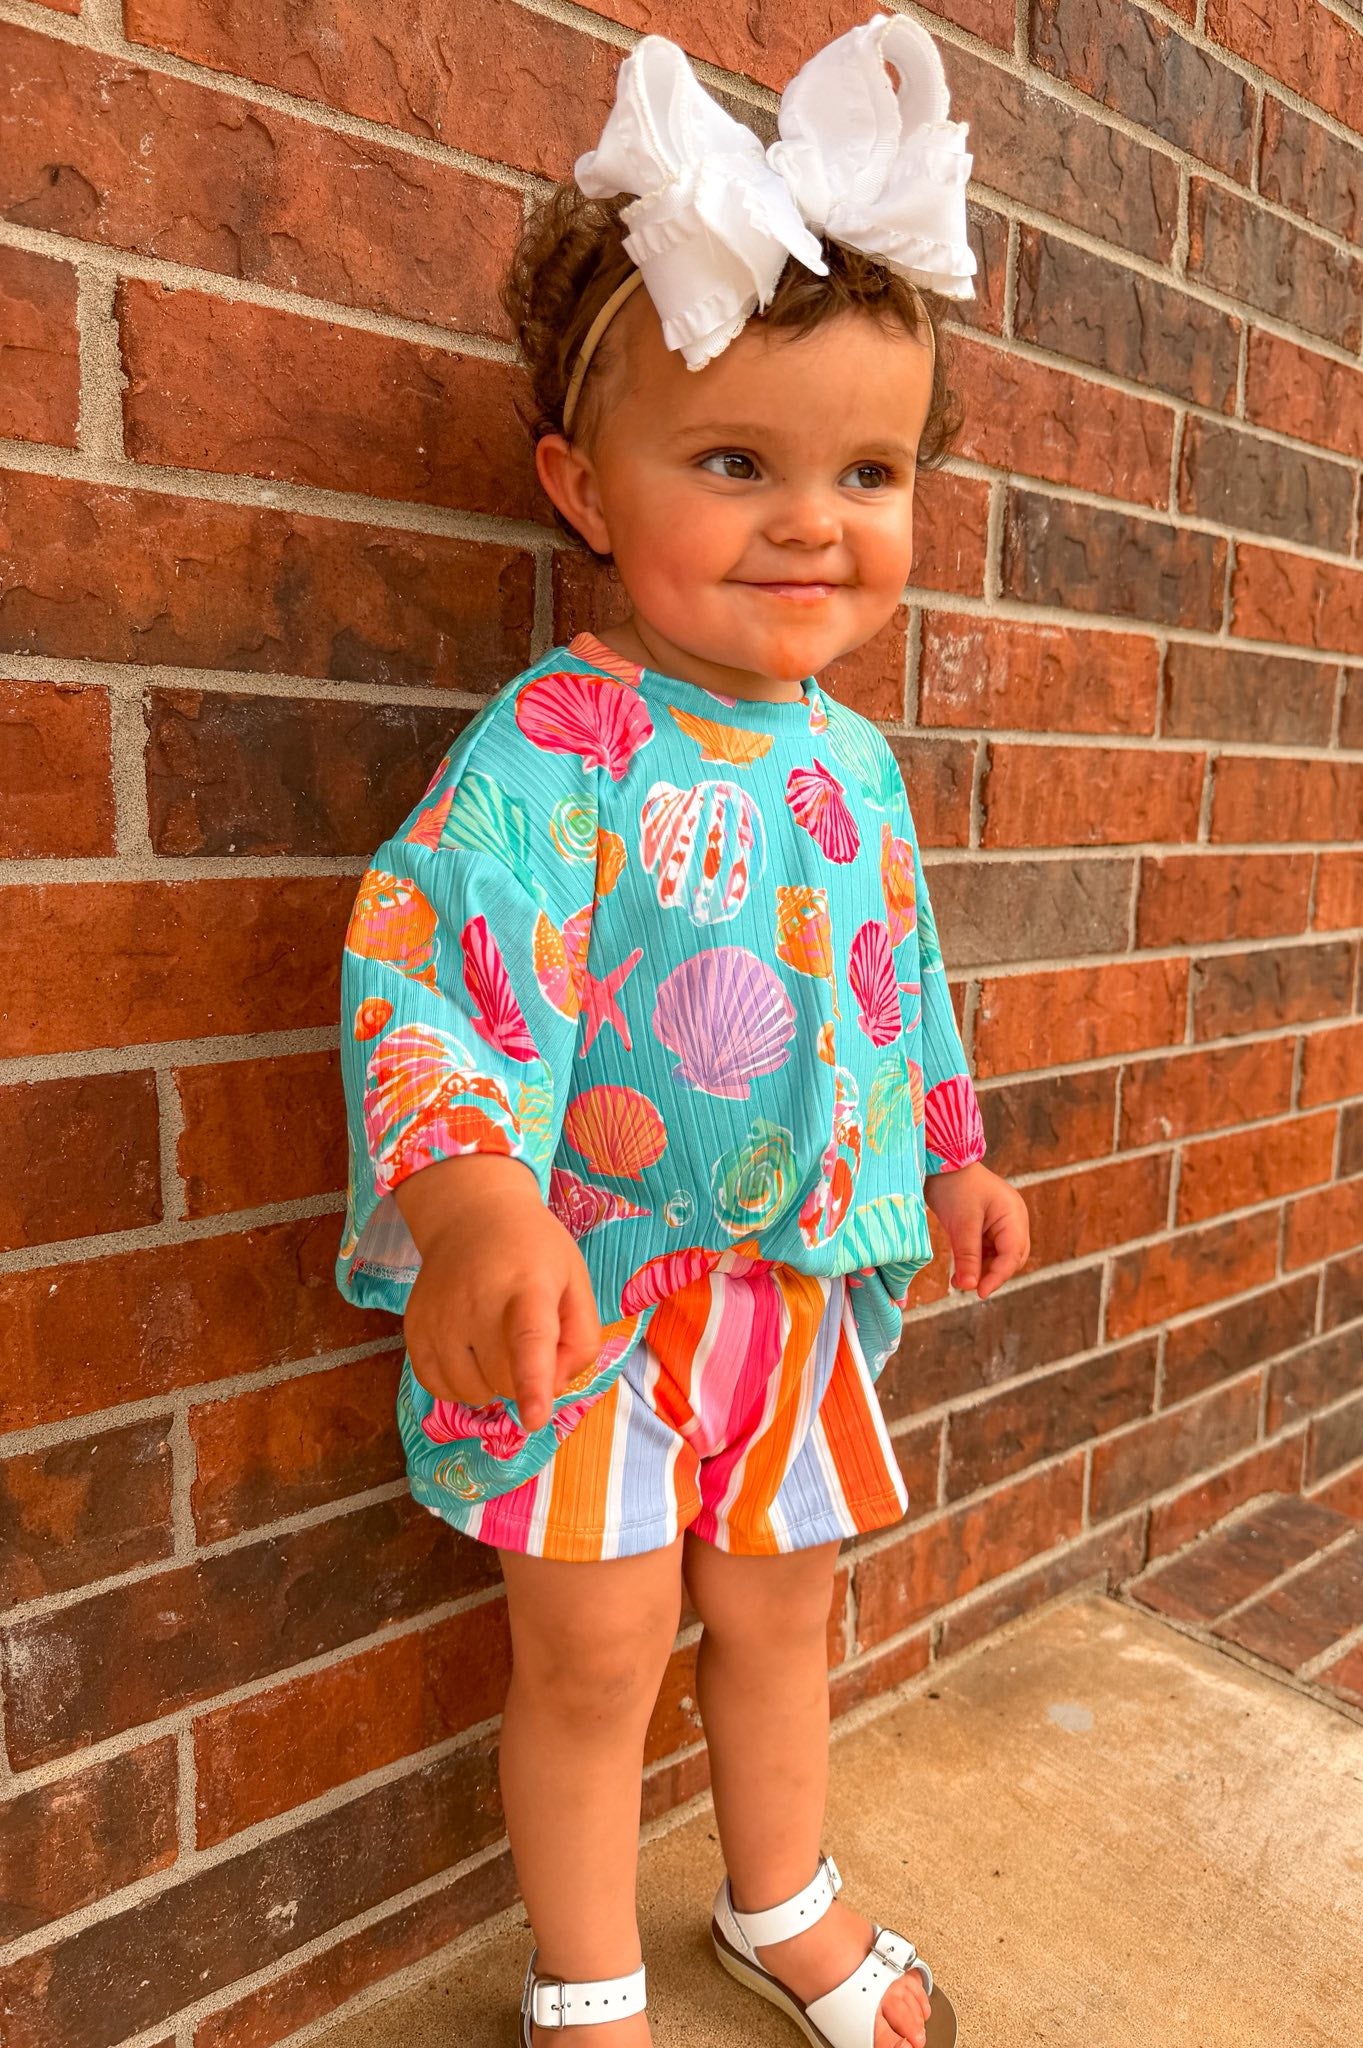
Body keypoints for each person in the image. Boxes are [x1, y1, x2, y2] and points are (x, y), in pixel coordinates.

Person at [334, 17, 1029, 2047]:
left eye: (869, 473)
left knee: (783, 1609)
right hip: (595, 1305)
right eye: (737, 463)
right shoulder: (561, 749)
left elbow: (899, 980)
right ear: (582, 482)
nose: (814, 521)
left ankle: (778, 1897)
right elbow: (424, 962)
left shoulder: (860, 767)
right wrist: (472, 1205)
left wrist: (953, 1151)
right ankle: (589, 1983)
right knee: (597, 1646)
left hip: (792, 1289)